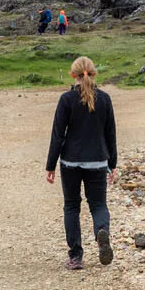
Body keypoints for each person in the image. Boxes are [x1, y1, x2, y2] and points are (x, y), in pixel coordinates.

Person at [45, 56, 117, 270]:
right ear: (94, 73)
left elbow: (58, 134)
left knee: (71, 206)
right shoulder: (104, 99)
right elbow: (110, 133)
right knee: (98, 205)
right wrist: (112, 163)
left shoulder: (66, 99)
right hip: (97, 160)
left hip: (71, 161)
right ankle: (101, 231)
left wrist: (50, 165)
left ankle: (76, 256)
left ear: (72, 75)